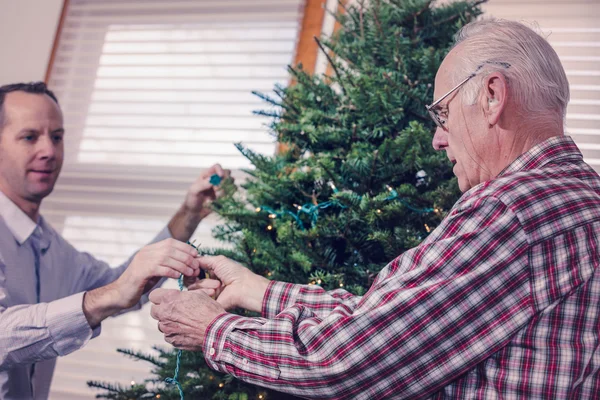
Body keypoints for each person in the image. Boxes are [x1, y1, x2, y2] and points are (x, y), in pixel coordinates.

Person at [150, 18, 600, 399]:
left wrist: (215, 332)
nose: (437, 138)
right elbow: (384, 314)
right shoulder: (581, 196)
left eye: (441, 114)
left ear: (491, 96)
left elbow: (347, 359)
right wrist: (257, 291)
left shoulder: (509, 212)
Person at [0, 82, 231, 399]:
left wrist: (189, 213)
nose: (49, 151)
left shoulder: (52, 247)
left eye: (57, 137)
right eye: (29, 137)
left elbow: (124, 287)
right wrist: (110, 294)